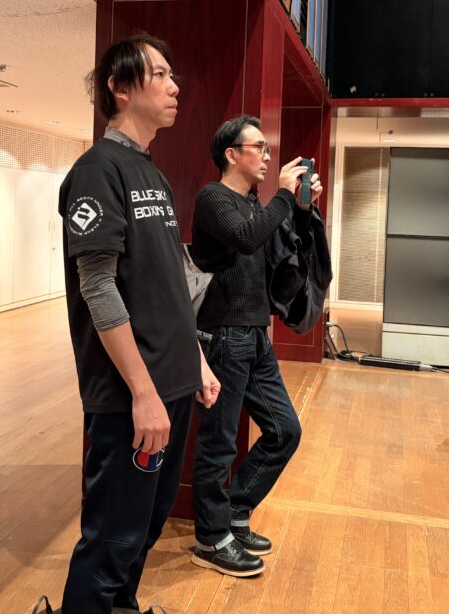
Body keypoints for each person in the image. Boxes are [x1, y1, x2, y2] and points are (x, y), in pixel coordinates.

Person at [55, 34, 221, 614]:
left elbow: (168, 282)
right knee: (112, 538)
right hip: (130, 396)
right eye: (161, 75)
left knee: (145, 527)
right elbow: (98, 287)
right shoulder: (97, 171)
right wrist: (144, 392)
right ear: (121, 87)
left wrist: (195, 360)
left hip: (170, 383)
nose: (176, 87)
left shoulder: (151, 172)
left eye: (173, 76)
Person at [189, 115, 323, 577]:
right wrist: (283, 196)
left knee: (285, 431)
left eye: (267, 149)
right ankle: (210, 538)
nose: (267, 156)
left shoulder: (252, 203)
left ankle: (234, 512)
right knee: (219, 443)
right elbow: (246, 240)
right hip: (222, 335)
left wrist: (301, 209)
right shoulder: (213, 198)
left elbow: (275, 250)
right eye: (259, 148)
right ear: (232, 154)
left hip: (255, 335)